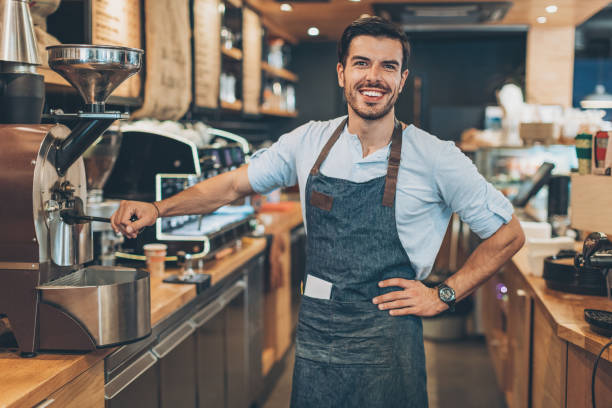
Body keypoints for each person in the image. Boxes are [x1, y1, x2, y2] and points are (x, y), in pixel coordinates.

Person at [111, 16, 525, 408]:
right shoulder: (308, 142)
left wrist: (443, 295)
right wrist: (158, 208)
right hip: (318, 339)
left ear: (401, 80)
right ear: (342, 72)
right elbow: (234, 184)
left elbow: (508, 233)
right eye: (361, 63)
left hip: (389, 346)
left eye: (388, 66)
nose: (373, 77)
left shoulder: (435, 157)